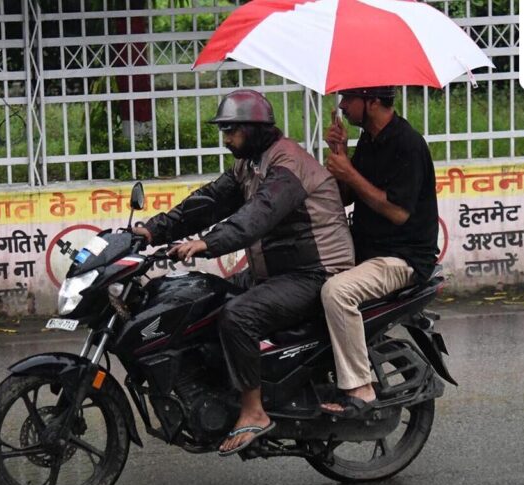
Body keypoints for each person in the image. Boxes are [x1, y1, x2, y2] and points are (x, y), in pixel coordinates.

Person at [134, 89, 354, 455]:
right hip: (277, 271)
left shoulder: (287, 165)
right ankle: (223, 390)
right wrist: (153, 230)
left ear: (253, 129)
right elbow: (209, 202)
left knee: (238, 316)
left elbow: (259, 215)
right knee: (205, 298)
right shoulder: (250, 163)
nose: (226, 139)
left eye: (231, 131)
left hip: (315, 272)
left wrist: (208, 243)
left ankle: (254, 411)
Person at [319, 85, 439, 418]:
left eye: (348, 99)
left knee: (337, 292)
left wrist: (350, 173)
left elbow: (397, 212)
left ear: (372, 102)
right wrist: (340, 153)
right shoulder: (370, 140)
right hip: (366, 251)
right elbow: (347, 197)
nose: (342, 106)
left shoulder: (408, 144)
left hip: (401, 258)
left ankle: (361, 388)